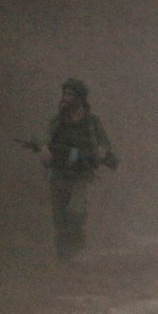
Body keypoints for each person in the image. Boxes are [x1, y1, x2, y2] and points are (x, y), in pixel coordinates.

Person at [38, 78, 116, 260]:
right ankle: (63, 255)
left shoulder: (92, 122)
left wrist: (101, 152)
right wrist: (44, 148)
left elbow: (105, 144)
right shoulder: (58, 120)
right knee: (59, 216)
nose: (65, 98)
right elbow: (45, 138)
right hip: (58, 173)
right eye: (64, 94)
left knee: (76, 211)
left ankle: (75, 245)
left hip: (80, 175)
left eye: (70, 95)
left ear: (80, 98)